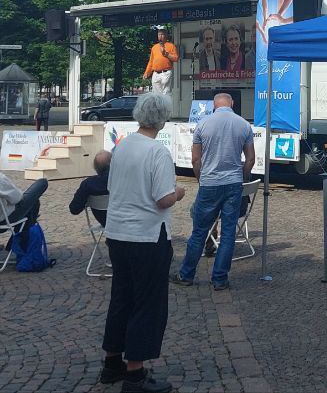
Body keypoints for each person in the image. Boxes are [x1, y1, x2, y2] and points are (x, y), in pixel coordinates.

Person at [99, 93, 185, 392]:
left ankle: (112, 362)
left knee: (121, 296)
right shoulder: (157, 152)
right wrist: (179, 193)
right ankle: (135, 373)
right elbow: (163, 199)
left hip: (118, 232)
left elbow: (112, 187)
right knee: (147, 302)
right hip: (147, 235)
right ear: (162, 119)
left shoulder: (121, 147)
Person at [173, 92, 255, 290]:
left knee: (199, 231)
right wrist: (241, 179)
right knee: (228, 234)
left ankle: (186, 275)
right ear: (232, 103)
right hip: (233, 184)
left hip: (210, 183)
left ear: (213, 106)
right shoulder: (243, 124)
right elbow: (250, 159)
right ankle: (219, 278)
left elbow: (195, 159)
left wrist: (202, 179)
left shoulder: (203, 124)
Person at [70, 150, 112, 225]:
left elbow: (74, 209)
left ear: (95, 167)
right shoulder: (122, 182)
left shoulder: (87, 184)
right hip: (125, 222)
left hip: (104, 222)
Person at [143, 28, 179, 95]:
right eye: (159, 34)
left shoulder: (171, 46)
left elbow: (175, 58)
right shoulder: (154, 47)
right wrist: (147, 72)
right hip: (155, 73)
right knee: (156, 95)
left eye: (162, 34)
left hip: (166, 72)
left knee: (165, 93)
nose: (160, 36)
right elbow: (151, 62)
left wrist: (166, 54)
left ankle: (165, 105)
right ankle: (158, 105)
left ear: (166, 35)